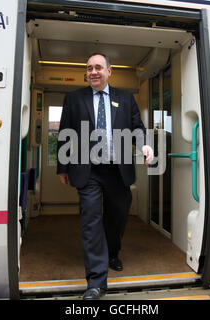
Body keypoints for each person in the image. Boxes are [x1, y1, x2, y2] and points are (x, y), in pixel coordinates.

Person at [57, 53, 153, 300]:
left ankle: (112, 252)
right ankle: (96, 282)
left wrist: (144, 145)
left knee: (117, 218)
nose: (93, 72)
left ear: (110, 71)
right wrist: (63, 167)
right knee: (91, 220)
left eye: (98, 67)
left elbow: (137, 128)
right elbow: (65, 133)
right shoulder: (74, 98)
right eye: (89, 68)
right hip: (88, 171)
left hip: (117, 170)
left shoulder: (124, 98)